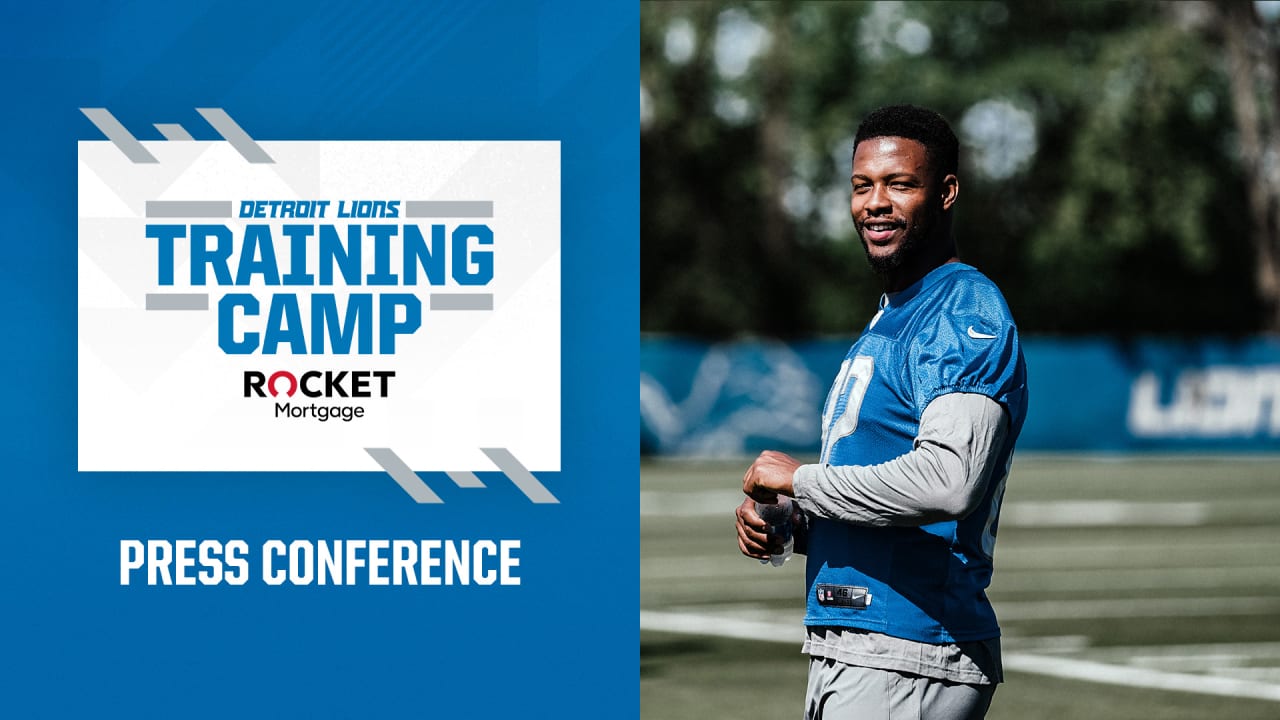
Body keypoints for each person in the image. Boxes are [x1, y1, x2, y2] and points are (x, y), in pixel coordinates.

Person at [735, 104, 1029, 720]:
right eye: (862, 185)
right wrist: (791, 520)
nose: (875, 202)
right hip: (859, 645)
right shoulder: (892, 314)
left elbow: (950, 482)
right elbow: (877, 493)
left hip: (910, 645)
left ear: (946, 193)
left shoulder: (962, 310)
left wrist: (802, 480)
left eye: (900, 184)